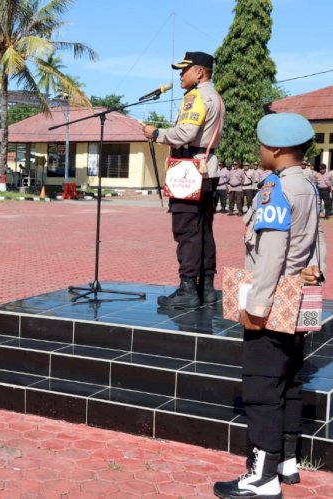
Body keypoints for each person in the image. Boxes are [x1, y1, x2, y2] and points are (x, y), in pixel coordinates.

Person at [213, 113, 326, 499]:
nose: (259, 151)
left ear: (276, 149)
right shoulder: (308, 186)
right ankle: (286, 461)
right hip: (301, 296)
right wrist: (317, 269)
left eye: (262, 145)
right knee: (290, 378)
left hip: (275, 297)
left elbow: (272, 254)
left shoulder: (275, 188)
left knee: (261, 387)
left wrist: (256, 306)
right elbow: (318, 236)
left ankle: (262, 477)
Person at [142, 51, 225, 308]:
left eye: (184, 70)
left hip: (190, 170)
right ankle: (207, 287)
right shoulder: (215, 96)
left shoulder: (196, 96)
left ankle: (188, 289)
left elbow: (184, 133)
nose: (180, 75)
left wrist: (156, 133)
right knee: (203, 230)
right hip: (207, 169)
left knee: (187, 231)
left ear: (199, 72)